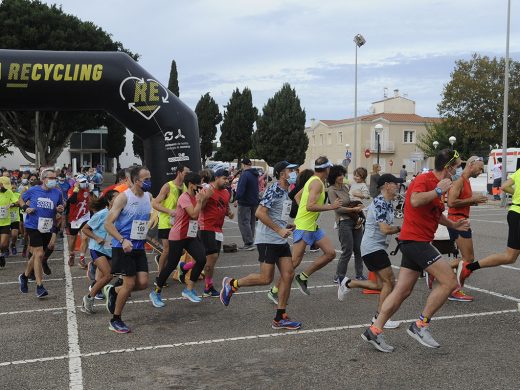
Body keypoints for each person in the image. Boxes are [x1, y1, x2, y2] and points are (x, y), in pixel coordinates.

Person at [362, 149, 469, 352]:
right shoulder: (425, 179)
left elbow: (435, 212)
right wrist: (438, 190)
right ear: (448, 167)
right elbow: (415, 200)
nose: (458, 170)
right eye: (457, 166)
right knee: (449, 281)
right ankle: (420, 325)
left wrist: (454, 225)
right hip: (416, 241)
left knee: (402, 290)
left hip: (414, 242)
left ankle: (374, 331)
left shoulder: (439, 185)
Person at [220, 161, 302, 330]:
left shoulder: (285, 192)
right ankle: (232, 284)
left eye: (294, 170)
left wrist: (285, 226)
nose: (294, 172)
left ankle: (280, 317)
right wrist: (279, 229)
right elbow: (259, 213)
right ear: (281, 173)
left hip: (279, 239)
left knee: (289, 274)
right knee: (266, 279)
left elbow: (274, 214)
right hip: (267, 239)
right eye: (290, 170)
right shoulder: (274, 189)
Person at [338, 174, 403, 329]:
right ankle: (380, 319)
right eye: (396, 183)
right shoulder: (380, 202)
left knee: (381, 284)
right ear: (387, 185)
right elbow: (385, 229)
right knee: (390, 282)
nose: (398, 186)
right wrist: (402, 229)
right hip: (373, 248)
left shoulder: (387, 203)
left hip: (375, 247)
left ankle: (348, 283)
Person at [149, 172, 211, 307]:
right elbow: (194, 214)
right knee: (171, 265)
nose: (201, 186)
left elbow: (201, 209)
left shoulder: (195, 195)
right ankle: (156, 292)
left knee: (201, 259)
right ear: (191, 185)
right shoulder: (184, 198)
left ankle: (188, 290)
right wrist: (201, 200)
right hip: (178, 236)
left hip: (190, 235)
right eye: (198, 184)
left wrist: (204, 199)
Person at [104, 166, 153, 333]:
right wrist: (122, 240)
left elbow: (150, 213)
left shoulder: (148, 196)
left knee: (143, 283)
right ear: (135, 180)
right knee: (130, 283)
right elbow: (108, 224)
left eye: (149, 178)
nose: (149, 182)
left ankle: (113, 290)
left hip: (139, 246)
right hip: (123, 246)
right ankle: (115, 319)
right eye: (146, 179)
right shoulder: (123, 198)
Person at [287, 156, 342, 295]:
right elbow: (310, 206)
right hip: (304, 226)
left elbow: (297, 197)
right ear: (327, 169)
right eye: (330, 168)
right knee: (294, 262)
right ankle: (275, 290)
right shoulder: (316, 183)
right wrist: (331, 206)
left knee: (330, 253)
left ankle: (302, 277)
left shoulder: (313, 180)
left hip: (311, 225)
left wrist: (302, 211)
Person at [457, 167, 520, 288]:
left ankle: (468, 267)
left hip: (515, 213)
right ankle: (469, 267)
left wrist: (516, 194)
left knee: (510, 257)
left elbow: (505, 186)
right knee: (509, 256)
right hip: (518, 214)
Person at [438, 156, 487, 302]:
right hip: (457, 220)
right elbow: (451, 202)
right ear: (471, 165)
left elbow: (460, 201)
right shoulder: (459, 181)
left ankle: (436, 270)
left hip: (461, 220)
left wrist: (473, 201)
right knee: (468, 259)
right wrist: (473, 199)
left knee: (467, 259)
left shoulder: (466, 181)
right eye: (480, 168)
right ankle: (455, 290)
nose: (481, 171)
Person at [18, 169, 64, 298]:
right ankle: (39, 286)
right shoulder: (33, 190)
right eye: (51, 178)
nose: (54, 180)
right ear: (44, 179)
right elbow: (20, 199)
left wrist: (60, 209)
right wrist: (25, 208)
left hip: (47, 226)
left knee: (36, 256)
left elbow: (60, 206)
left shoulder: (57, 192)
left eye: (55, 178)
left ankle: (24, 276)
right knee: (38, 254)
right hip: (33, 225)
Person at [80, 191, 119, 314]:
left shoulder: (121, 213)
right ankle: (89, 298)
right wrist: (97, 238)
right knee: (109, 275)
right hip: (97, 248)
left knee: (105, 277)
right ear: (109, 201)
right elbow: (85, 229)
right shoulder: (102, 214)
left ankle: (100, 291)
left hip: (111, 249)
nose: (120, 199)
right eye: (116, 198)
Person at [198, 169, 234, 297]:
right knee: (211, 257)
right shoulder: (207, 189)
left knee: (211, 258)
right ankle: (208, 287)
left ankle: (184, 267)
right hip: (206, 226)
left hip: (218, 229)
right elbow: (199, 207)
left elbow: (225, 205)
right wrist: (206, 196)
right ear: (217, 177)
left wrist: (229, 212)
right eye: (224, 178)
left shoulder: (225, 192)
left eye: (228, 179)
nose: (226, 181)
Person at [327, 165, 366, 283]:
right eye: (339, 175)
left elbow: (353, 200)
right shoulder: (331, 190)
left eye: (343, 174)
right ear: (333, 176)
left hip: (355, 220)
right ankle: (339, 276)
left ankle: (359, 274)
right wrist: (353, 210)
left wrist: (359, 205)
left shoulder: (345, 187)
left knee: (359, 249)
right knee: (347, 250)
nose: (341, 177)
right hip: (344, 222)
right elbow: (338, 209)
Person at [151, 164, 189, 273]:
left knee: (179, 250)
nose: (187, 176)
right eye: (186, 173)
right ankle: (160, 275)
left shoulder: (186, 187)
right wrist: (169, 211)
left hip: (179, 223)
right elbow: (155, 204)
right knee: (167, 250)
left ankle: (168, 265)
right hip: (166, 222)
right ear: (179, 173)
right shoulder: (168, 186)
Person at [66, 175, 92, 268]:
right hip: (74, 218)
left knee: (85, 238)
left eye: (85, 181)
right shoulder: (71, 190)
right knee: (73, 239)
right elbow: (72, 201)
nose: (84, 183)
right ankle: (71, 254)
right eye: (82, 182)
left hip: (85, 216)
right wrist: (76, 189)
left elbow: (90, 201)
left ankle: (82, 258)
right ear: (77, 183)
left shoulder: (87, 190)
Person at [236, 158, 260, 251]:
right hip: (254, 201)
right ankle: (251, 241)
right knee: (251, 222)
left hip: (245, 202)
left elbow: (241, 188)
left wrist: (236, 198)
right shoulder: (255, 174)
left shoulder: (245, 174)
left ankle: (248, 242)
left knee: (243, 222)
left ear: (243, 164)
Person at [0, 176, 16, 267]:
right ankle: (1, 256)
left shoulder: (9, 192)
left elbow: (17, 201)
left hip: (5, 222)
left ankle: (3, 251)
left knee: (3, 244)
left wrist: (12, 204)